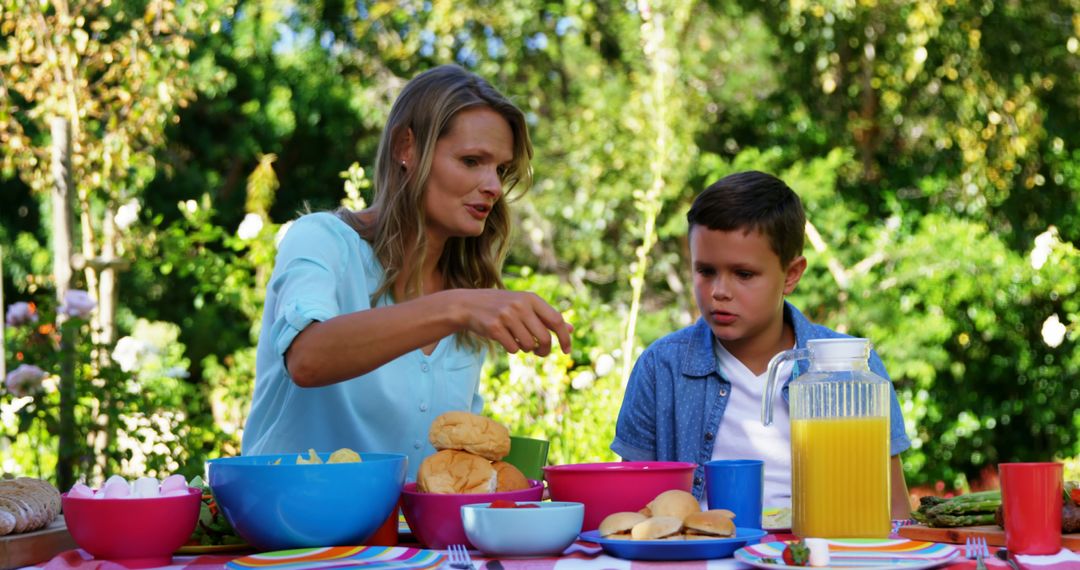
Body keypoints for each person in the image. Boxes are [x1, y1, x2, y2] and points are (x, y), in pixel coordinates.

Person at [242, 65, 573, 480]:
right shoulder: (320, 240)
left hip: (409, 544)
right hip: (290, 533)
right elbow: (309, 358)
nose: (492, 185)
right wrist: (455, 307)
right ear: (407, 148)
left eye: (501, 170)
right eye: (472, 161)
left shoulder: (466, 294)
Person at [610, 171, 912, 518]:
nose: (718, 291)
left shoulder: (853, 367)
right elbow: (635, 514)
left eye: (744, 274)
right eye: (705, 271)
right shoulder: (660, 368)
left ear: (792, 274)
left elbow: (895, 514)